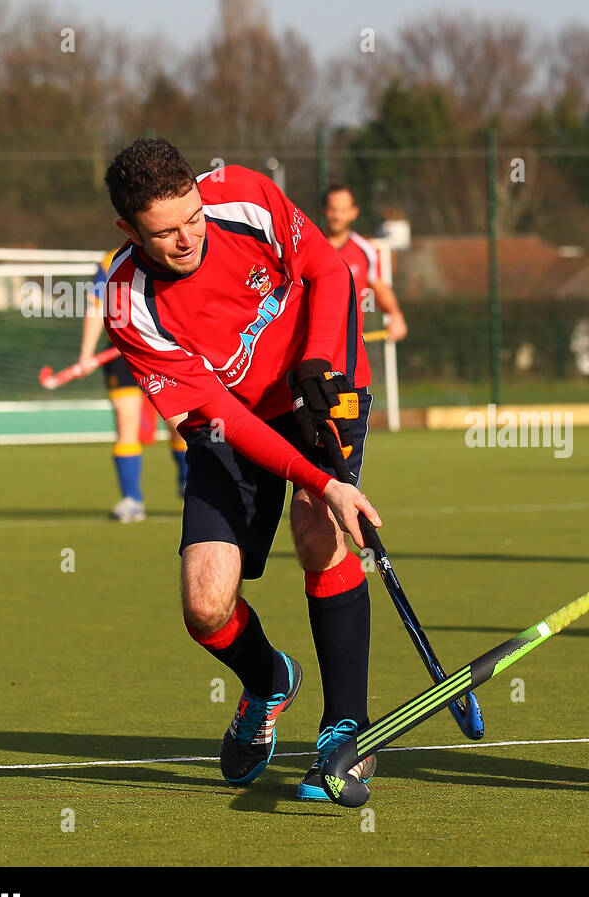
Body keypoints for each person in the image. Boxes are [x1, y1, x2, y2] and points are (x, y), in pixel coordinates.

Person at [101, 138, 382, 799]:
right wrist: (324, 481)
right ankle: (268, 681)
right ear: (128, 229)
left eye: (192, 218)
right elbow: (215, 414)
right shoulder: (126, 302)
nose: (186, 239)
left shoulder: (246, 196)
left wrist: (317, 364)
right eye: (164, 233)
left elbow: (329, 272)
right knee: (204, 605)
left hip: (321, 382)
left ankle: (347, 727)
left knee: (318, 532)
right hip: (231, 423)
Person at [78, 247, 188, 523]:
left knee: (179, 424)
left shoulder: (168, 252)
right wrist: (86, 355)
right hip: (121, 355)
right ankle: (131, 500)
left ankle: (190, 484)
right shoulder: (109, 261)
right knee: (126, 423)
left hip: (164, 352)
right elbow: (96, 307)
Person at [321, 184, 408, 344]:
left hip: (352, 350)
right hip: (314, 351)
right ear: (324, 210)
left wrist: (395, 314)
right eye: (333, 209)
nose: (337, 216)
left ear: (354, 212)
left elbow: (379, 287)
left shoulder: (365, 249)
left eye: (343, 210)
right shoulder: (311, 247)